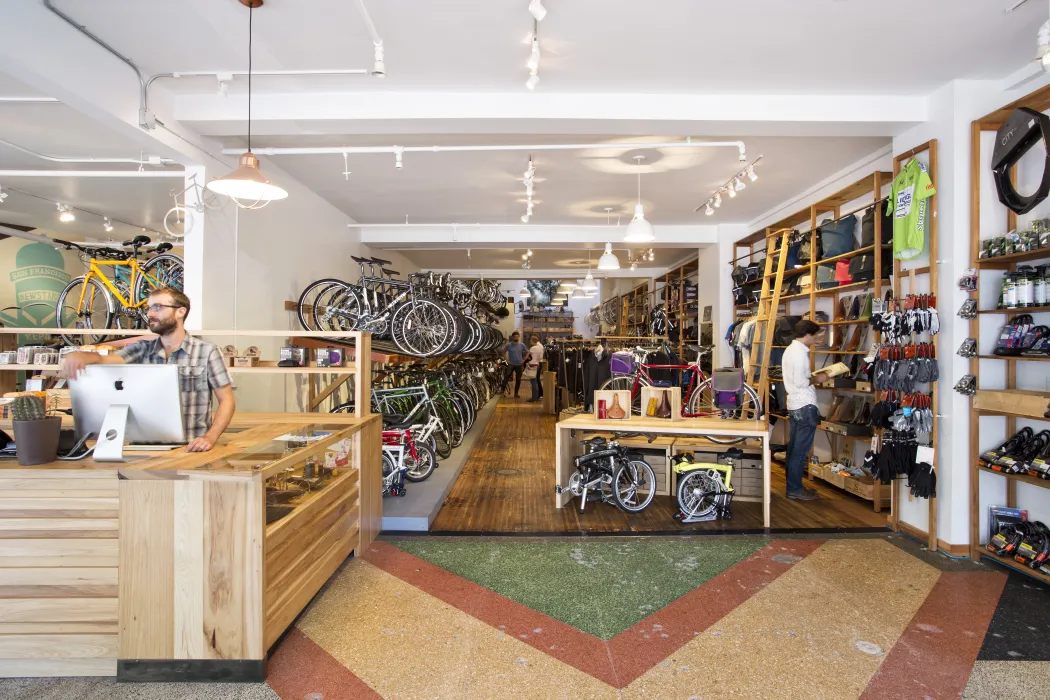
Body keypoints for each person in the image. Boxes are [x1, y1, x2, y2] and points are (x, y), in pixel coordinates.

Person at [60, 287, 235, 452]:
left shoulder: (207, 351)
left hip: (189, 449)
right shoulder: (142, 349)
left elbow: (226, 400)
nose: (150, 313)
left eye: (157, 307)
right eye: (149, 308)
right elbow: (106, 359)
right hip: (142, 449)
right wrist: (83, 356)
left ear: (180, 311)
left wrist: (209, 438)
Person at [780, 320, 829, 501]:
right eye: (816, 335)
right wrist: (820, 378)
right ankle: (794, 488)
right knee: (800, 451)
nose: (817, 338)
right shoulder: (800, 354)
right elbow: (801, 382)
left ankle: (794, 485)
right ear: (808, 335)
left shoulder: (789, 351)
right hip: (804, 404)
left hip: (794, 403)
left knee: (794, 449)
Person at [504, 331, 528, 398]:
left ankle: (516, 393)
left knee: (518, 379)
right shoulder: (509, 345)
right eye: (515, 337)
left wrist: (524, 360)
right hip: (511, 364)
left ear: (519, 337)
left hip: (519, 365)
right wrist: (507, 360)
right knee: (506, 377)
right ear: (513, 337)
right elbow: (503, 352)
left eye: (517, 336)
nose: (516, 338)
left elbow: (528, 352)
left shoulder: (522, 345)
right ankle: (502, 390)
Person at [526, 334, 544, 403]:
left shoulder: (534, 347)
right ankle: (537, 396)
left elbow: (527, 356)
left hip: (533, 365)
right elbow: (540, 357)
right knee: (536, 380)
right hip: (538, 363)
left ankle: (535, 397)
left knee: (534, 381)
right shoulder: (540, 347)